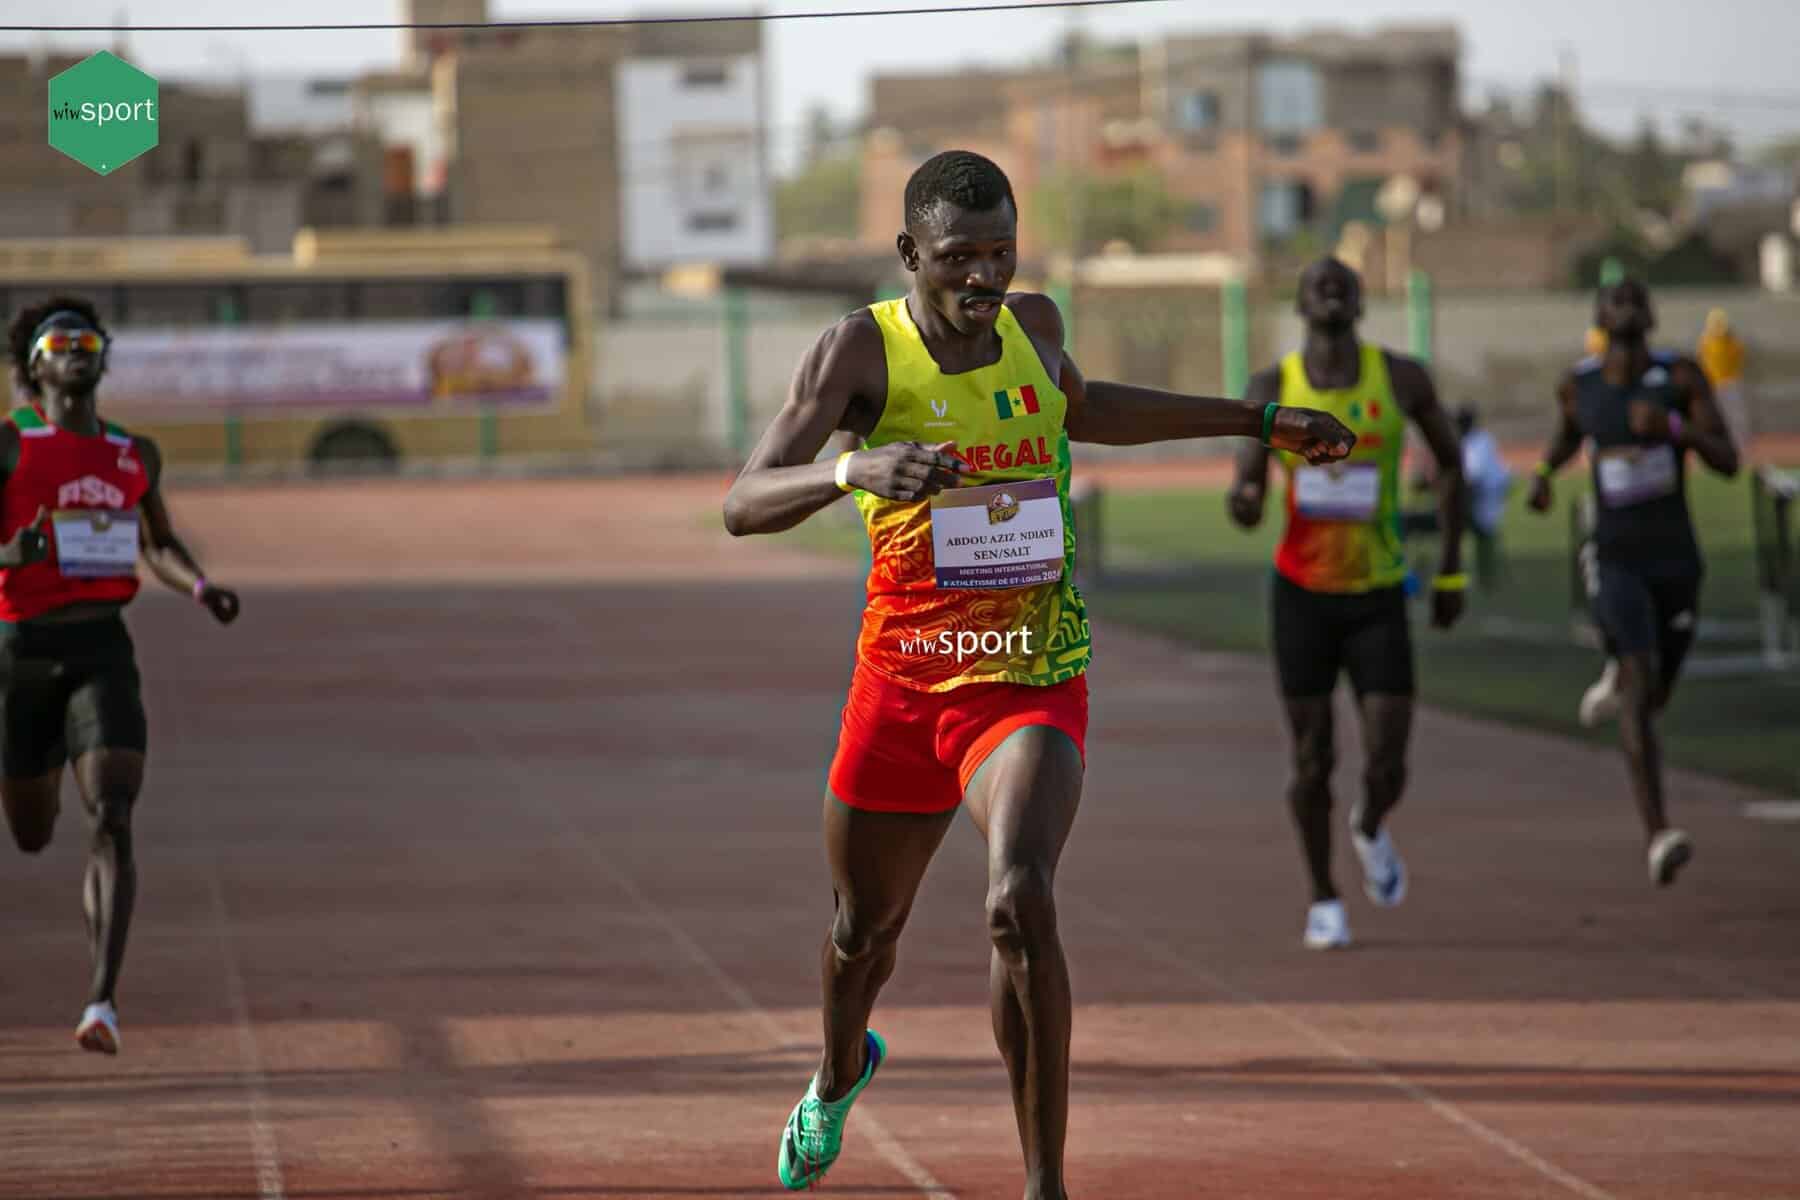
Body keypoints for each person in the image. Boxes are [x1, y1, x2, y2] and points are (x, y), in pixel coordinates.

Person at [722, 150, 1353, 1197]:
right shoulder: (860, 351)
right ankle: (836, 1074)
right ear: (910, 253)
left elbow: (1087, 407)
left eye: (1001, 252)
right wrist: (853, 468)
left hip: (1029, 676)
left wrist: (1256, 420)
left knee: (1019, 899)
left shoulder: (1036, 327)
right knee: (861, 934)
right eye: (958, 257)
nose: (985, 276)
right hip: (905, 683)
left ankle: (1043, 1184)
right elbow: (743, 501)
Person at [2, 297, 242, 1054]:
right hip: (19, 651)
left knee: (112, 812)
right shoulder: (10, 442)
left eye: (86, 341)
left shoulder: (134, 453)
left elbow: (157, 542)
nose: (75, 352)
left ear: (102, 357)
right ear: (33, 368)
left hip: (102, 647)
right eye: (59, 344)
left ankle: (101, 1000)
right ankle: (35, 776)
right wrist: (11, 555)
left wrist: (199, 586)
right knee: (32, 830)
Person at [1226, 258, 1467, 951]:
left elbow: (1451, 464)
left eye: (1344, 283)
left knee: (1389, 757)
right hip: (1302, 594)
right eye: (1317, 283)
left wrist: (1451, 572)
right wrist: (1245, 500)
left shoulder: (1401, 378)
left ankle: (1368, 822)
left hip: (1377, 593)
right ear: (1301, 304)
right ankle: (1324, 896)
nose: (1331, 288)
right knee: (1312, 758)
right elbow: (1247, 487)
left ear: (1361, 302)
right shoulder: (1274, 386)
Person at [1529, 279, 1737, 885]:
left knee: (1655, 694)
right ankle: (1658, 834)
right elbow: (1568, 434)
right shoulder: (1579, 384)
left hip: (1675, 560)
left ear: (1650, 314)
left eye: (1633, 299)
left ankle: (1619, 675)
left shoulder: (1681, 377)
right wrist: (1542, 473)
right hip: (1614, 555)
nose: (1623, 307)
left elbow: (1727, 460)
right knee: (1642, 683)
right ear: (1598, 317)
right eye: (1612, 300)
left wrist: (1673, 428)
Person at [1695, 308, 1749, 449]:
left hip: (1730, 383)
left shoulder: (1733, 342)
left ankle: (1739, 445)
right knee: (1712, 415)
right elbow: (1702, 361)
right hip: (1713, 383)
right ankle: (1714, 444)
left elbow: (1739, 359)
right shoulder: (1705, 342)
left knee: (1736, 417)